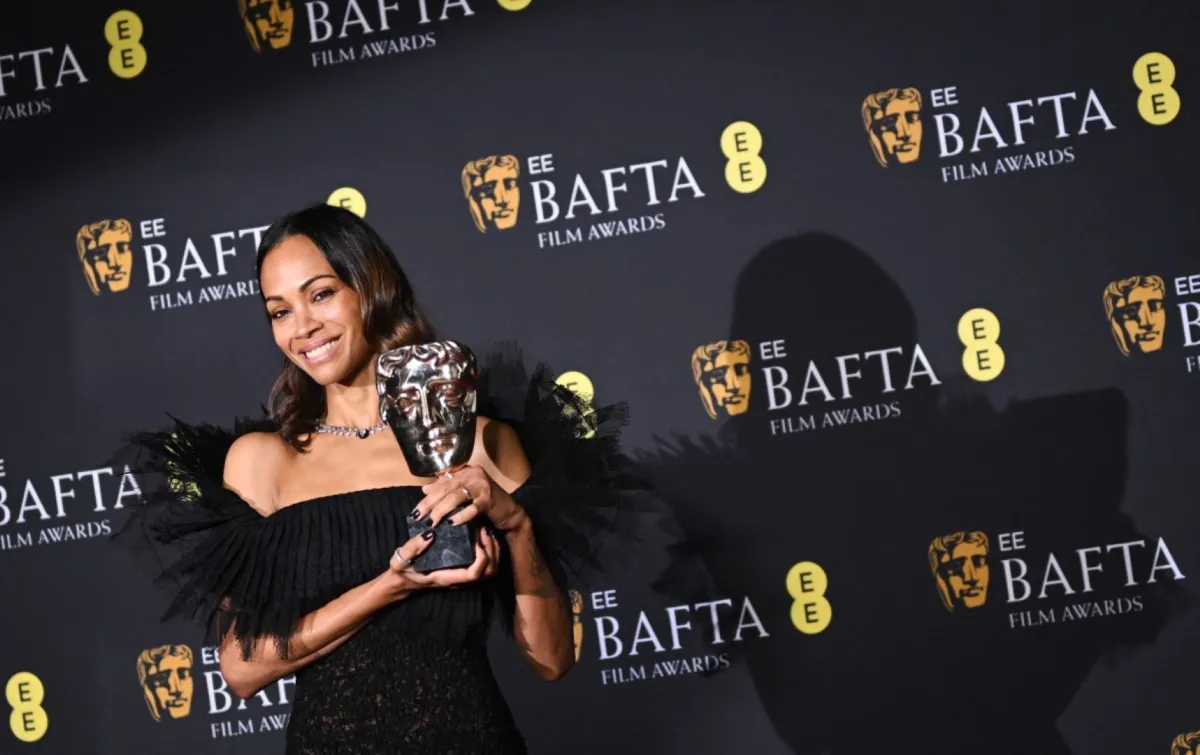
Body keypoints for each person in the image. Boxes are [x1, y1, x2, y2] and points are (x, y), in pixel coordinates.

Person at [113, 203, 635, 754]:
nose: (303, 327)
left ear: (371, 287)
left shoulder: (477, 442)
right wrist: (392, 586)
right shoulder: (262, 461)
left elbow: (552, 660)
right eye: (280, 311)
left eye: (320, 294)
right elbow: (243, 669)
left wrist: (518, 525)